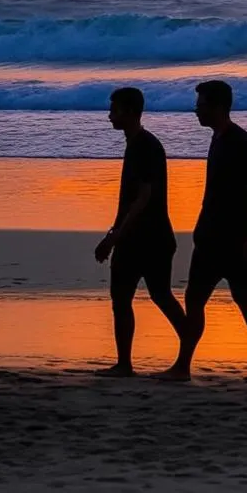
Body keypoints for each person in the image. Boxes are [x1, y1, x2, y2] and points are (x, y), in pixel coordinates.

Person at [159, 80, 247, 382]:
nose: (196, 110)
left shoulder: (240, 141)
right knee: (196, 299)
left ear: (217, 107)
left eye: (201, 105)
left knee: (242, 297)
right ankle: (183, 364)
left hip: (234, 238)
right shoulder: (219, 138)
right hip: (211, 235)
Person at [95, 87, 185, 376]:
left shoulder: (145, 146)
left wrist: (115, 236)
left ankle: (184, 354)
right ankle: (124, 363)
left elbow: (143, 197)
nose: (110, 115)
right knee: (124, 298)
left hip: (148, 238)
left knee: (154, 297)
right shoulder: (136, 144)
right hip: (143, 236)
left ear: (131, 112)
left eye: (115, 110)